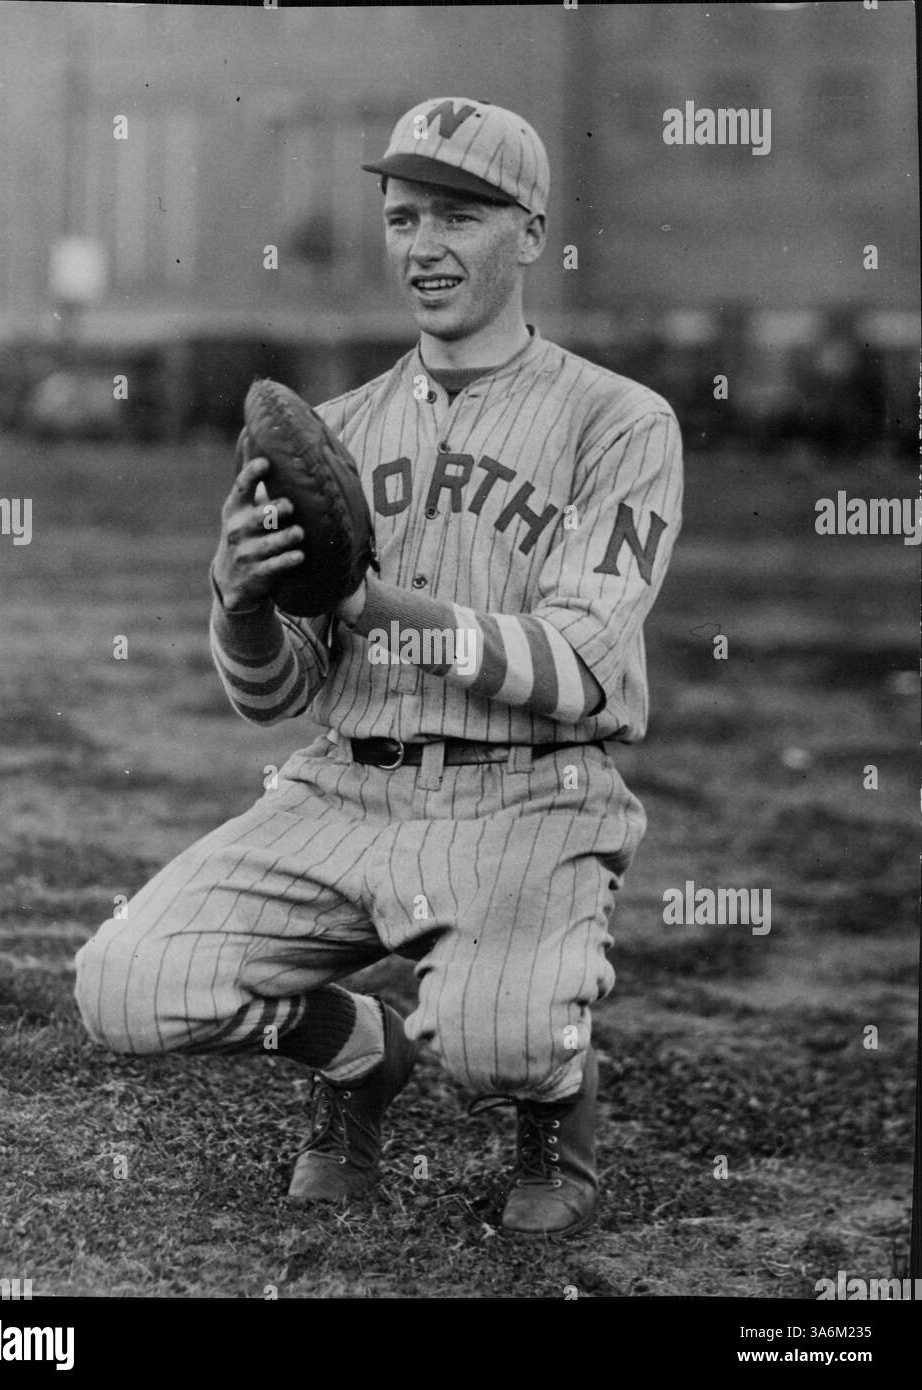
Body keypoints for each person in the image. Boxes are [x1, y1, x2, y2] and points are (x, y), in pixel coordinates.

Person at [75, 97, 683, 1238]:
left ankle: (555, 1092)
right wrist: (242, 600)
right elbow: (278, 696)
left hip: (532, 794)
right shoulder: (337, 427)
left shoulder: (622, 422)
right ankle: (359, 1052)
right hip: (343, 787)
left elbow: (581, 665)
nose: (423, 247)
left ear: (532, 231)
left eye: (459, 216)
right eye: (405, 218)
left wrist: (374, 602)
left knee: (497, 1042)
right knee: (122, 985)